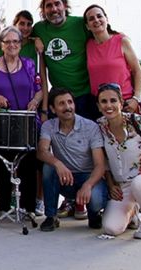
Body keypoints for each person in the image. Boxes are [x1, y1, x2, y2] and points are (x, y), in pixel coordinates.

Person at [0, 26, 42, 216]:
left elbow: (39, 89)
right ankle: (4, 207)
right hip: (1, 123)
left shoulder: (29, 64)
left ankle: (28, 207)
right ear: (1, 45)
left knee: (27, 164)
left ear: (21, 45)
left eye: (16, 41)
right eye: (8, 42)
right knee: (3, 164)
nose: (12, 45)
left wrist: (35, 100)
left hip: (25, 122)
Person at [97, 83, 141, 239]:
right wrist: (111, 184)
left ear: (121, 102)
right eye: (104, 102)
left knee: (140, 184)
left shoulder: (137, 122)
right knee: (111, 228)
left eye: (113, 100)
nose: (109, 105)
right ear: (98, 106)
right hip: (123, 186)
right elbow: (104, 162)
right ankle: (134, 210)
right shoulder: (100, 127)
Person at [37, 87, 107, 231]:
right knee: (48, 167)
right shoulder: (49, 126)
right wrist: (57, 163)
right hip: (66, 178)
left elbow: (100, 165)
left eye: (70, 102)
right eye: (61, 103)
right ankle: (51, 217)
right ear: (53, 109)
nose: (67, 107)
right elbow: (42, 152)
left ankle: (94, 214)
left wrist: (87, 185)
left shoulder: (90, 127)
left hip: (89, 177)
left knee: (96, 200)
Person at [32, 0, 95, 120]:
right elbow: (21, 36)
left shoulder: (80, 24)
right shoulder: (39, 29)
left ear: (65, 6)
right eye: (48, 6)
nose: (54, 9)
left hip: (85, 95)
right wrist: (35, 39)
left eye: (57, 4)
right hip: (59, 98)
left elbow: (102, 35)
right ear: (43, 11)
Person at [84, 4, 141, 116]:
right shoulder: (88, 45)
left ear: (106, 19)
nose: (96, 20)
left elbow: (137, 71)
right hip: (99, 107)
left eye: (99, 16)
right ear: (87, 26)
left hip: (124, 104)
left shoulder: (121, 41)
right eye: (91, 19)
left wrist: (136, 98)